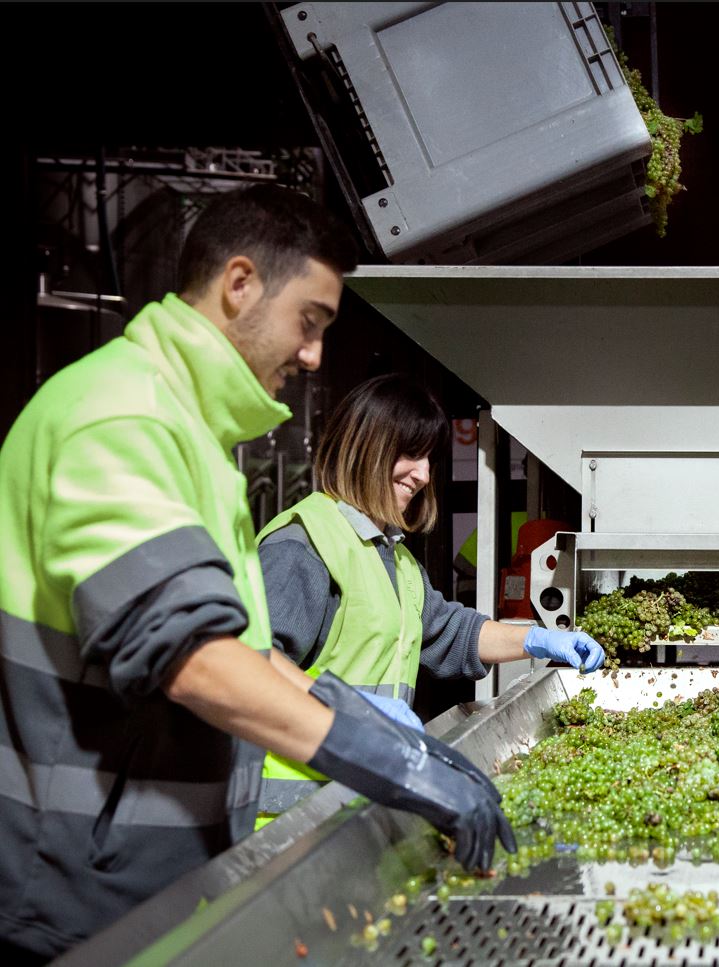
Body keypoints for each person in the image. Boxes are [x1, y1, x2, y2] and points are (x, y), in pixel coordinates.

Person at [0, 186, 513, 962]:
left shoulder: (189, 438)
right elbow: (197, 661)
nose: (313, 355)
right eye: (310, 321)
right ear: (239, 284)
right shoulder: (119, 417)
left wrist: (393, 739)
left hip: (154, 881)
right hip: (79, 901)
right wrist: (386, 765)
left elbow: (241, 643)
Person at [253, 374, 604, 823]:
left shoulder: (393, 557)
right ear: (366, 446)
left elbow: (451, 632)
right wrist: (354, 708)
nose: (422, 475)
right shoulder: (303, 544)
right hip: (290, 813)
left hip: (358, 799)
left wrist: (537, 639)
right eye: (409, 454)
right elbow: (253, 663)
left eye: (427, 459)